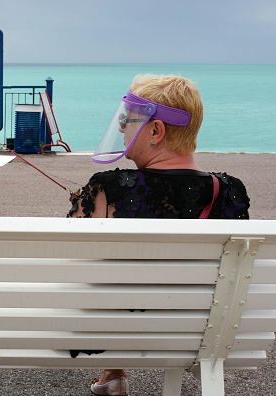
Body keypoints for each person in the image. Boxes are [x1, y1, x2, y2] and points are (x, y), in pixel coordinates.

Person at [68, 74, 250, 395]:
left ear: (156, 130)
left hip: (114, 327)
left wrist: (85, 200)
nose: (122, 126)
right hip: (196, 330)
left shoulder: (107, 188)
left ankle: (115, 369)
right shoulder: (230, 191)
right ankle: (114, 372)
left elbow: (69, 260)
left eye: (128, 119)